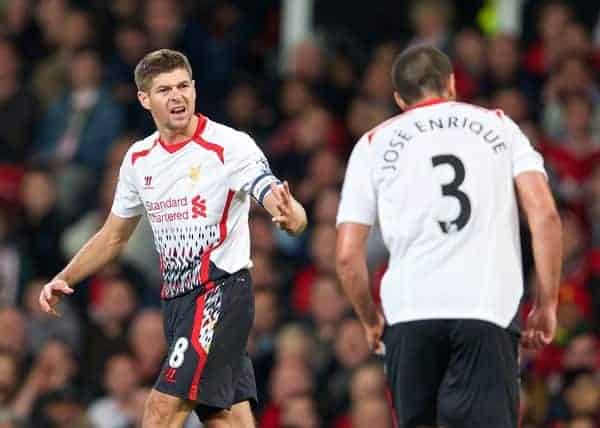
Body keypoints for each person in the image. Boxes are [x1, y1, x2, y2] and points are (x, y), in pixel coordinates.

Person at [39, 49, 307, 428]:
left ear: (195, 89)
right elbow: (114, 234)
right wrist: (66, 276)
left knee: (161, 410)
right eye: (165, 90)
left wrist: (291, 215)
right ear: (144, 99)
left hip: (220, 293)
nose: (177, 96)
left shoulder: (229, 146)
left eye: (183, 86)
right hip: (177, 304)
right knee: (224, 417)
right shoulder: (138, 159)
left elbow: (276, 197)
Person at [335, 45, 562, 428]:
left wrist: (370, 318)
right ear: (452, 84)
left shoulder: (374, 143)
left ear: (399, 99)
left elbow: (346, 255)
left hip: (410, 313)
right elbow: (545, 214)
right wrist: (547, 302)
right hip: (485, 308)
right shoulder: (500, 126)